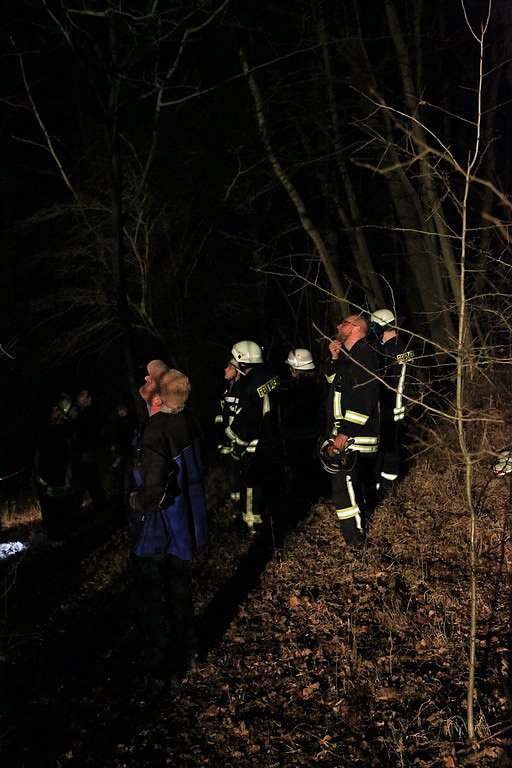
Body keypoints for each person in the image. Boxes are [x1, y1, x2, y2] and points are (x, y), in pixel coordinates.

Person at [130, 367, 207, 687]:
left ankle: (162, 667)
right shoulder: (185, 421)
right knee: (180, 590)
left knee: (154, 598)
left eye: (151, 381)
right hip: (183, 524)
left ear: (159, 399)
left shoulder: (155, 434)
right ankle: (190, 652)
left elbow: (155, 492)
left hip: (159, 530)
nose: (146, 380)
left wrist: (138, 501)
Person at [322, 315, 380, 547]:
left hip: (354, 436)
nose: (338, 326)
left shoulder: (364, 355)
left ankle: (356, 541)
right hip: (346, 434)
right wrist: (334, 358)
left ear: (357, 328)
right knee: (352, 487)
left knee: (343, 489)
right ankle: (357, 533)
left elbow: (365, 397)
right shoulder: (349, 356)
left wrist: (345, 432)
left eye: (344, 323)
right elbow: (331, 381)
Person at [222, 340, 282, 534]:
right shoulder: (271, 378)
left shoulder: (247, 386)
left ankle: (252, 526)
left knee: (251, 485)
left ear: (242, 361)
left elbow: (247, 421)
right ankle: (271, 518)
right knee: (271, 483)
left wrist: (237, 446)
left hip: (255, 445)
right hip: (274, 440)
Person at [370, 309, 414, 499]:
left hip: (390, 410)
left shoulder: (391, 351)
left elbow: (391, 382)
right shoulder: (400, 347)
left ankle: (385, 491)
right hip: (397, 408)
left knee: (387, 452)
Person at [280, 348, 324, 513]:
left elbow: (289, 414)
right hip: (314, 436)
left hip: (297, 438)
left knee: (299, 471)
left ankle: (302, 502)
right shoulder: (318, 386)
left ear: (295, 369)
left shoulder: (295, 390)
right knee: (311, 468)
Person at [34, 395, 80, 546]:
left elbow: (48, 461)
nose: (53, 410)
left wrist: (41, 481)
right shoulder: (71, 433)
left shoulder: (53, 434)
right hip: (66, 488)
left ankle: (59, 552)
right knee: (67, 525)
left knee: (55, 529)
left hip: (52, 489)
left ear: (61, 413)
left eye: (56, 408)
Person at [214, 360, 243, 505]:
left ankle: (240, 503)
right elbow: (220, 414)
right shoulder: (227, 390)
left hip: (239, 441)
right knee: (232, 473)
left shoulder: (243, 390)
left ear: (238, 372)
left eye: (230, 367)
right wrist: (220, 433)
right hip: (227, 441)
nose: (225, 369)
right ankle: (236, 502)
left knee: (240, 473)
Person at [75, 388, 105, 513]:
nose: (79, 398)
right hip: (88, 453)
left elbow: (88, 435)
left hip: (87, 453)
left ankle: (99, 507)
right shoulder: (85, 414)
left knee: (89, 480)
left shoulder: (88, 414)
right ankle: (99, 506)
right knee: (91, 481)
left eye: (84, 396)